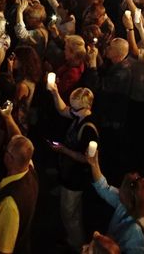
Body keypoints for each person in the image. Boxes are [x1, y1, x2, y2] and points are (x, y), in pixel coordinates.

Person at [49, 85, 99, 249]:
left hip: (76, 178)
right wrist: (56, 92)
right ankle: (76, 239)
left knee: (69, 213)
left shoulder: (89, 129)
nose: (71, 111)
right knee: (74, 211)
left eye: (74, 108)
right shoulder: (79, 114)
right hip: (69, 173)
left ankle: (77, 245)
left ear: (86, 107)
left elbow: (87, 159)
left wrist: (63, 150)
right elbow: (63, 109)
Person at [86, 147, 144, 254]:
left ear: (128, 196)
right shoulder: (129, 203)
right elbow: (103, 188)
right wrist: (94, 164)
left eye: (121, 189)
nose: (118, 190)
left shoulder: (135, 231)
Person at [0, 135, 38, 254]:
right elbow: (22, 145)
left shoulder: (9, 203)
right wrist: (8, 118)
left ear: (8, 159)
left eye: (5, 150)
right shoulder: (31, 172)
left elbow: (2, 249)